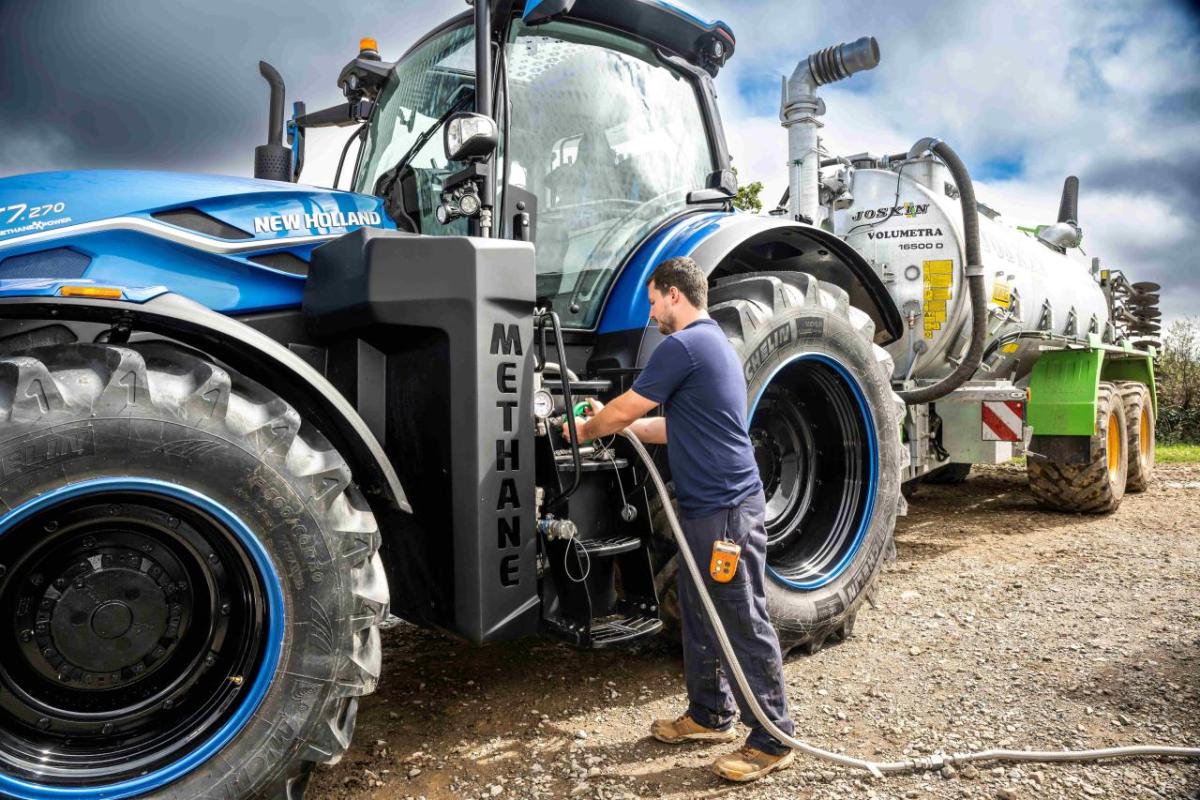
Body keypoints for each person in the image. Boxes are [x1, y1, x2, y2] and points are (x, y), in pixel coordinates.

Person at [562, 256, 796, 782]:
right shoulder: (713, 346)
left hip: (725, 513)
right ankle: (711, 714)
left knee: (740, 616)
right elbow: (668, 428)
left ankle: (773, 737)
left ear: (674, 295)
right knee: (699, 609)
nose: (652, 314)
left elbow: (624, 410)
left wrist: (583, 429)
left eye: (652, 302)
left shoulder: (684, 344)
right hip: (706, 509)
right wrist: (613, 426)